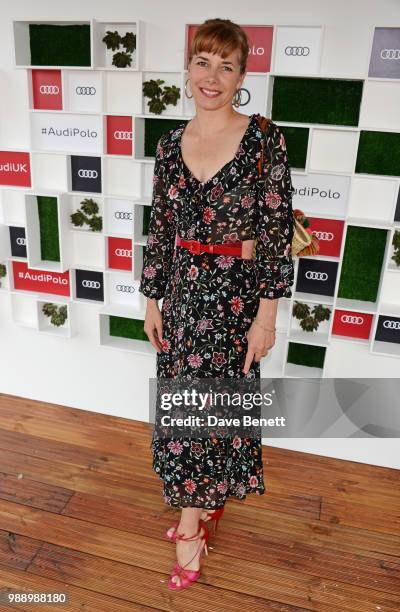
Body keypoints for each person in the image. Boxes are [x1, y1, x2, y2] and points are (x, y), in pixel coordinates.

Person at [139, 17, 295, 591]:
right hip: (181, 294)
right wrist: (153, 297)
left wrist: (268, 313)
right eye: (203, 62)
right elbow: (161, 228)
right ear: (187, 71)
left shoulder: (263, 139)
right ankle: (199, 505)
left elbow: (275, 233)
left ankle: (189, 526)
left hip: (234, 299)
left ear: (241, 77)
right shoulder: (167, 146)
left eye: (226, 66)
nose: (213, 76)